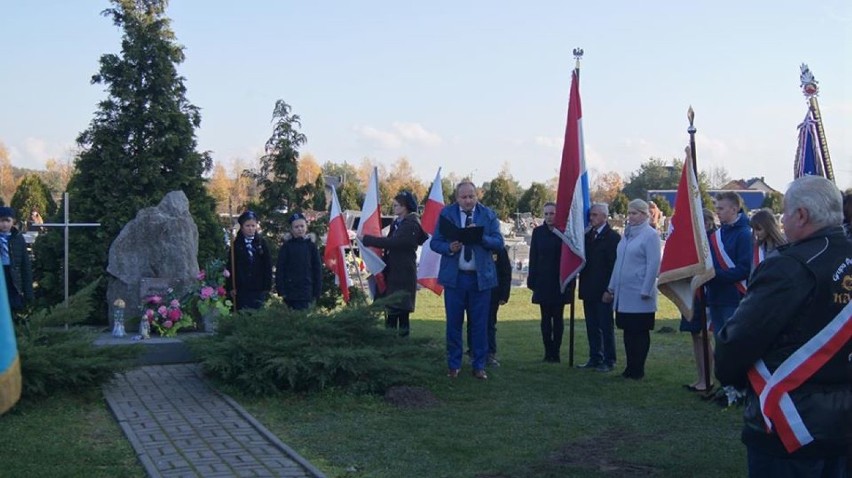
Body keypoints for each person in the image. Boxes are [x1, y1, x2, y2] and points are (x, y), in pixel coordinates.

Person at [715, 176, 851, 478]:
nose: (783, 219)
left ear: (801, 215)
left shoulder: (788, 266)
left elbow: (738, 340)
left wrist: (731, 378)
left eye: (785, 212)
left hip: (791, 422)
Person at [430, 181, 504, 380]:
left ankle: (479, 365)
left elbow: (499, 243)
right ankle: (454, 365)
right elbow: (434, 242)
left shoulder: (488, 215)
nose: (468, 200)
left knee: (479, 324)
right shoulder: (447, 214)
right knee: (453, 323)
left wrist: (480, 237)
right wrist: (449, 248)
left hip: (480, 279)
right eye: (464, 197)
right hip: (455, 278)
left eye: (471, 196)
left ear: (476, 195)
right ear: (457, 198)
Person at [603, 199, 661, 380]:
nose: (630, 217)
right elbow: (618, 264)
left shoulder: (650, 235)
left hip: (640, 292)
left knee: (639, 331)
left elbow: (653, 265)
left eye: (634, 213)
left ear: (644, 215)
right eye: (629, 213)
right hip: (624, 292)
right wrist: (611, 288)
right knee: (628, 331)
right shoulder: (626, 236)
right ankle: (629, 367)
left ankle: (638, 369)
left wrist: (646, 289)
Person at [361, 191, 428, 336]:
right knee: (391, 309)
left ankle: (402, 346)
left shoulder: (411, 224)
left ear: (405, 206)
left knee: (401, 311)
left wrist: (368, 239)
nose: (394, 207)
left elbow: (394, 243)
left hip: (403, 273)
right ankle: (390, 343)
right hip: (393, 271)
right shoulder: (397, 223)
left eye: (397, 205)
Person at [527, 202, 574, 363]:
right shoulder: (538, 232)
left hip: (559, 281)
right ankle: (548, 352)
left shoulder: (564, 232)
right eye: (546, 214)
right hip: (543, 280)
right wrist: (531, 279)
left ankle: (556, 351)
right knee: (545, 317)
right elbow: (534, 256)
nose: (548, 217)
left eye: (552, 213)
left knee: (558, 317)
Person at [578, 202, 620, 372]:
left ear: (604, 216)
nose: (592, 218)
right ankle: (595, 356)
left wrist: (609, 290)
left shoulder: (612, 238)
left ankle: (609, 359)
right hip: (589, 288)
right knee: (592, 326)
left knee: (605, 326)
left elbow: (613, 266)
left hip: (604, 289)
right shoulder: (588, 236)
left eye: (595, 215)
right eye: (591, 215)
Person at [680, 208, 717, 392]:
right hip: (693, 293)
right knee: (695, 336)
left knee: (704, 336)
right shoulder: (692, 241)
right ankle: (701, 376)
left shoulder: (712, 240)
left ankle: (708, 378)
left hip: (706, 295)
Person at [706, 191, 752, 336]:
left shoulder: (745, 234)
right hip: (715, 296)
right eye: (717, 208)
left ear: (733, 209)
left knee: (733, 342)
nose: (717, 212)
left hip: (734, 297)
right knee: (719, 343)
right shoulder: (717, 234)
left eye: (721, 208)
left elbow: (744, 269)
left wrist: (714, 275)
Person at [467, 243, 511, 366]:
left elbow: (505, 272)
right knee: (473, 322)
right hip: (475, 290)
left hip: (493, 291)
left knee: (490, 323)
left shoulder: (498, 248)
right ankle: (473, 352)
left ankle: (490, 353)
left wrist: (504, 295)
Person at [275, 212, 322, 310]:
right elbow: (280, 268)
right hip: (290, 291)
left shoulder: (311, 246)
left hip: (307, 289)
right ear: (291, 229)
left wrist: (317, 290)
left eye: (302, 226)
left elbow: (317, 268)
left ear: (306, 227)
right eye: (296, 227)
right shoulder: (286, 247)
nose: (300, 229)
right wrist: (281, 290)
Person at [227, 211, 272, 311]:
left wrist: (266, 287)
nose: (250, 228)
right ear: (242, 227)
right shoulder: (236, 245)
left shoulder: (261, 243)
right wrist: (230, 287)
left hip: (258, 287)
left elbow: (267, 265)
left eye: (253, 225)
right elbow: (231, 266)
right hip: (241, 288)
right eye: (247, 226)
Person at [0, 207, 33, 313]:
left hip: (13, 275)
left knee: (13, 304)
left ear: (13, 221)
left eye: (7, 221)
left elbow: (25, 266)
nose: (4, 224)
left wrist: (28, 292)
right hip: (1, 273)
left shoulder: (18, 238)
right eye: (1, 221)